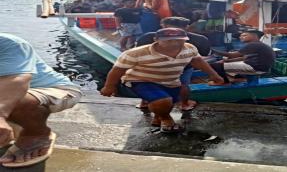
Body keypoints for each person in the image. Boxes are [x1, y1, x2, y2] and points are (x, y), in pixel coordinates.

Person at [100, 28, 223, 133]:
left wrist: (214, 75)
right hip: (141, 80)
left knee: (170, 101)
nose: (174, 43)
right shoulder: (135, 53)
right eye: (169, 40)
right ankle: (166, 120)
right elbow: (117, 70)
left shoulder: (190, 48)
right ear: (156, 40)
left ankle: (158, 116)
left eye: (179, 40)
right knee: (163, 101)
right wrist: (109, 86)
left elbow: (198, 61)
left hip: (171, 81)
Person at [0, 33, 82, 168]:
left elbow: (17, 81)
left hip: (55, 89)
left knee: (14, 100)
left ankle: (36, 134)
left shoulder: (10, 43)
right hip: (12, 93)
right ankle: (14, 127)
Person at [136, 17, 211, 111]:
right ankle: (184, 104)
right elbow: (201, 57)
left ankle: (144, 102)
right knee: (183, 84)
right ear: (186, 27)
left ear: (163, 26)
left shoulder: (148, 37)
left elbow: (138, 52)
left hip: (152, 67)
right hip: (184, 67)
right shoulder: (200, 39)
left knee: (148, 83)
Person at [210, 29, 275, 83]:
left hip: (255, 68)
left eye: (244, 35)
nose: (240, 37)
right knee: (224, 63)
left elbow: (232, 55)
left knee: (215, 66)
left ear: (254, 36)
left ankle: (224, 82)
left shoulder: (253, 44)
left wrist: (212, 50)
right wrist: (227, 61)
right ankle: (239, 78)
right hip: (261, 68)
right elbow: (244, 58)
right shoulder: (258, 44)